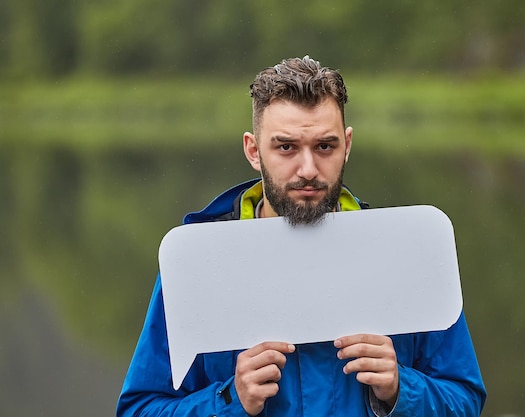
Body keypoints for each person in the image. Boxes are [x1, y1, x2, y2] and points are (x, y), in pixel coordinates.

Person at [117, 56, 486, 416]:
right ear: (253, 150)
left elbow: (465, 399)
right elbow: (139, 409)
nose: (308, 169)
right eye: (286, 147)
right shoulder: (196, 263)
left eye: (325, 146)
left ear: (348, 145)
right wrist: (230, 401)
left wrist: (400, 389)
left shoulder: (407, 252)